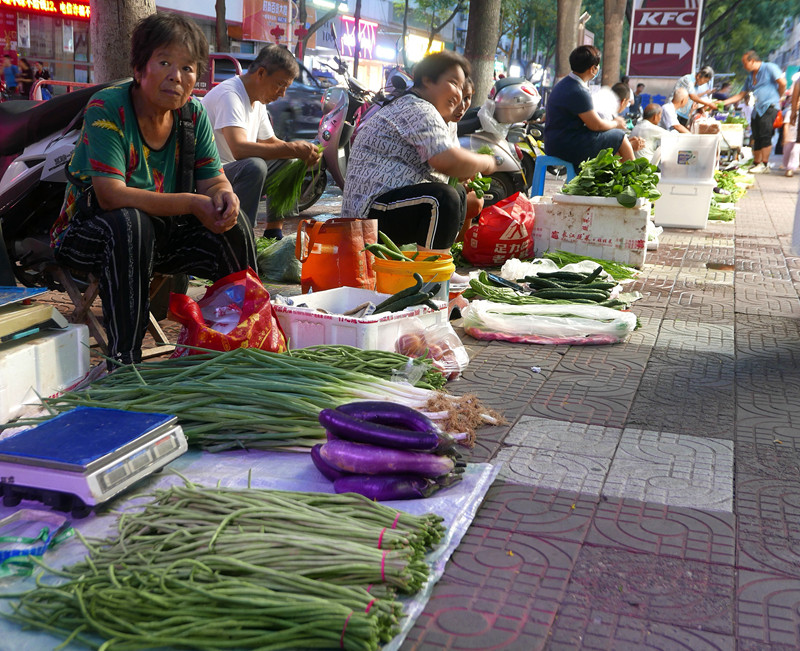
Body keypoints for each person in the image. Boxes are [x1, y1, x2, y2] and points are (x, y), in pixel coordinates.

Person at [50, 12, 256, 366]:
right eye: (165, 62)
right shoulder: (108, 108)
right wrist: (193, 203)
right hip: (89, 234)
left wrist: (225, 194)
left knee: (233, 226)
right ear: (140, 67)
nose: (177, 76)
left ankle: (246, 345)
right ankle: (124, 361)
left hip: (161, 239)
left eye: (188, 68)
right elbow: (110, 196)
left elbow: (213, 178)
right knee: (131, 222)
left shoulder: (192, 115)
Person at [341, 50, 496, 254]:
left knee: (456, 193)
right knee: (441, 198)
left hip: (383, 209)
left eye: (461, 87)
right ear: (427, 80)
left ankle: (437, 263)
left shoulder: (431, 112)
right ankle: (431, 275)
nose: (459, 95)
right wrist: (486, 162)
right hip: (365, 216)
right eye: (453, 83)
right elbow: (446, 161)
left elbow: (454, 169)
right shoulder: (418, 108)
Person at [202, 44, 320, 238]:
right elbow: (239, 149)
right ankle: (240, 236)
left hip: (235, 173)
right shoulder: (230, 95)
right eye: (280, 85)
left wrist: (299, 152)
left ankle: (274, 232)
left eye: (286, 87)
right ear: (261, 73)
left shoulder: (257, 99)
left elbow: (270, 142)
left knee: (290, 160)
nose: (282, 93)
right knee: (255, 166)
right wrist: (292, 147)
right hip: (213, 179)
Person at [544, 45, 635, 169]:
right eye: (597, 66)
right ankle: (635, 180)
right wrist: (616, 123)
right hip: (565, 146)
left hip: (557, 142)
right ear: (593, 68)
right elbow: (596, 125)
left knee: (614, 144)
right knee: (619, 136)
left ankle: (612, 184)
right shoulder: (578, 90)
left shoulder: (566, 84)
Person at [721, 51, 786, 174]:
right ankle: (756, 163)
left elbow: (782, 82)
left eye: (744, 63)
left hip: (769, 106)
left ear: (752, 61)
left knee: (765, 135)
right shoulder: (750, 76)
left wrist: (779, 96)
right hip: (757, 108)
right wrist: (723, 103)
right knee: (755, 136)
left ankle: (764, 164)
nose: (743, 66)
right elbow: (741, 94)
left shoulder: (769, 67)